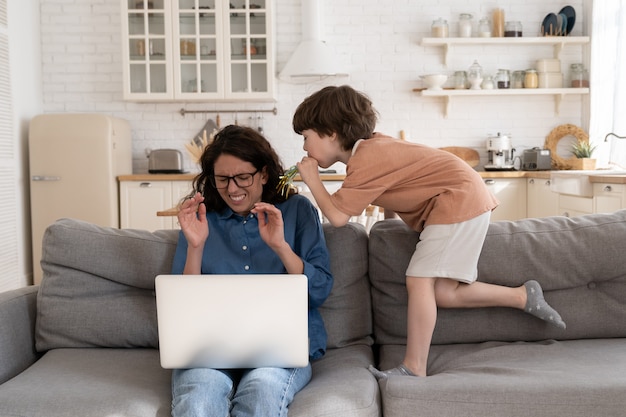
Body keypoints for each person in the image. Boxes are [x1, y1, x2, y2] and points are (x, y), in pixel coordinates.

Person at [292, 85, 565, 379]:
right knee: (444, 294)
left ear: (330, 133)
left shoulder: (367, 158)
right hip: (463, 198)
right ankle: (522, 296)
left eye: (306, 137)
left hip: (457, 199)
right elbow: (397, 186)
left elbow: (337, 216)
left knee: (418, 280)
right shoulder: (370, 152)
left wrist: (311, 180)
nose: (305, 148)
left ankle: (413, 367)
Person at [170, 124, 333, 416]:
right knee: (198, 401)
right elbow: (183, 307)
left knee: (261, 395)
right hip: (210, 350)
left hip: (280, 351)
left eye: (243, 177)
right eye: (223, 179)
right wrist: (196, 246)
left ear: (264, 173)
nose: (232, 189)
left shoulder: (297, 211)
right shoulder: (201, 219)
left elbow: (319, 289)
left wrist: (281, 246)